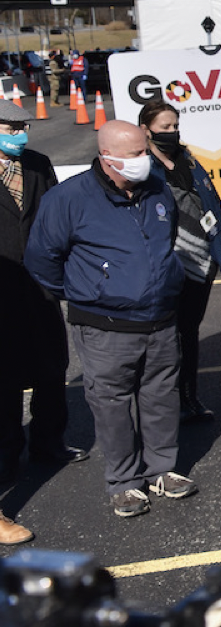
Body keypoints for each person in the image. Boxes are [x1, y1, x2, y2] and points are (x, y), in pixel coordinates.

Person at [25, 120, 195, 519]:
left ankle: (162, 469)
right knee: (112, 406)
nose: (145, 159)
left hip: (160, 317)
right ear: (107, 157)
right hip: (105, 326)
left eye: (145, 150)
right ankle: (125, 483)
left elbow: (165, 238)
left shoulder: (156, 189)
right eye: (135, 154)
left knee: (161, 396)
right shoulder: (68, 199)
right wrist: (89, 292)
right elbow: (41, 259)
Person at [0, 101, 88, 543]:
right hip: (2, 290)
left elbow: (53, 215)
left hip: (40, 286)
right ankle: (10, 454)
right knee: (7, 381)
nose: (20, 132)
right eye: (11, 126)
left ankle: (49, 443)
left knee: (53, 367)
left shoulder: (36, 163)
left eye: (22, 125)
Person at [141, 101, 221, 423]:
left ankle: (189, 398)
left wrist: (219, 245)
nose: (172, 132)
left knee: (188, 333)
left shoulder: (187, 160)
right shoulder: (142, 166)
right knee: (164, 339)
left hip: (200, 260)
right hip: (165, 264)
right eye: (164, 128)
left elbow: (210, 200)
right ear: (145, 130)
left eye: (175, 126)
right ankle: (163, 406)